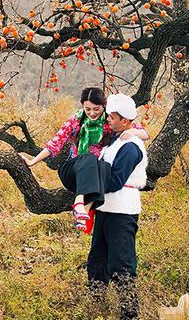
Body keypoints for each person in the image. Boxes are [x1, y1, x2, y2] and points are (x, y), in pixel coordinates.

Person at [20, 88, 149, 229]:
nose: (92, 113)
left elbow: (144, 133)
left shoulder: (110, 120)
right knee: (89, 158)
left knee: (104, 167)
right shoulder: (76, 120)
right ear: (82, 106)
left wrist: (133, 131)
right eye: (88, 109)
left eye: (96, 109)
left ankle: (83, 213)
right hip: (73, 170)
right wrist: (32, 162)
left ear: (103, 107)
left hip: (94, 174)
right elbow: (54, 144)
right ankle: (80, 202)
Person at [88, 93, 148, 320]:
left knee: (120, 261)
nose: (108, 121)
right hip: (106, 209)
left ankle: (129, 312)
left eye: (112, 117)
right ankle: (96, 302)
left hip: (122, 210)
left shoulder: (132, 147)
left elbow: (115, 180)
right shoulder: (115, 140)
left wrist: (90, 187)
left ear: (124, 119)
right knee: (97, 258)